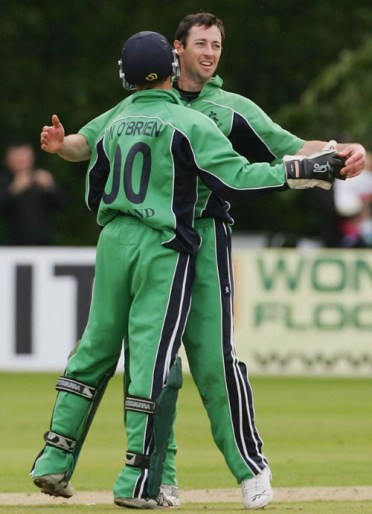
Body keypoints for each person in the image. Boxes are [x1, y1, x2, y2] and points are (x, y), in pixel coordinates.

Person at [38, 15, 367, 510]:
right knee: (157, 364)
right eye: (202, 44)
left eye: (217, 44)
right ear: (177, 52)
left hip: (196, 237)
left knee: (210, 361)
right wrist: (62, 146)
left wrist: (339, 152)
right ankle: (156, 476)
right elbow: (88, 146)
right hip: (167, 239)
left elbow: (290, 144)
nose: (211, 53)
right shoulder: (147, 110)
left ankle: (248, 471)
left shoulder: (228, 107)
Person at [0, 141, 64, 245]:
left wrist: (50, 187)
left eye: (26, 155)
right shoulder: (6, 181)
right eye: (18, 156)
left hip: (44, 244)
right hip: (14, 244)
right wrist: (13, 190)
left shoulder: (41, 178)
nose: (23, 160)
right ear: (9, 159)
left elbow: (61, 205)